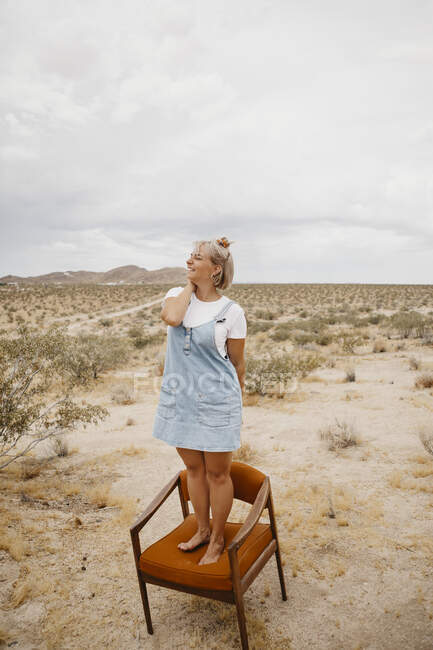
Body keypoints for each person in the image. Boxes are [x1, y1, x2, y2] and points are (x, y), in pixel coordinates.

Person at [152, 237, 246, 565]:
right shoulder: (176, 298)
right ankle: (202, 530)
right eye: (189, 256)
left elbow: (237, 364)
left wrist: (237, 404)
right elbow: (173, 319)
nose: (189, 261)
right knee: (193, 468)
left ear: (215, 269)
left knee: (218, 474)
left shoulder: (232, 312)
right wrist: (191, 288)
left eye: (198, 258)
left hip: (219, 401)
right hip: (181, 400)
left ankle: (218, 540)